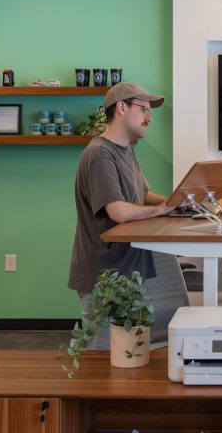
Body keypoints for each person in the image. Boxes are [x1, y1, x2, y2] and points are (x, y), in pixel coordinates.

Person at [67, 82, 175, 349]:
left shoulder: (125, 149)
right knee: (101, 354)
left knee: (124, 353)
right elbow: (119, 211)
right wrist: (162, 210)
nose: (149, 118)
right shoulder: (100, 154)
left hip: (126, 269)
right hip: (105, 274)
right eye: (144, 109)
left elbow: (142, 194)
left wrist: (177, 203)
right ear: (122, 108)